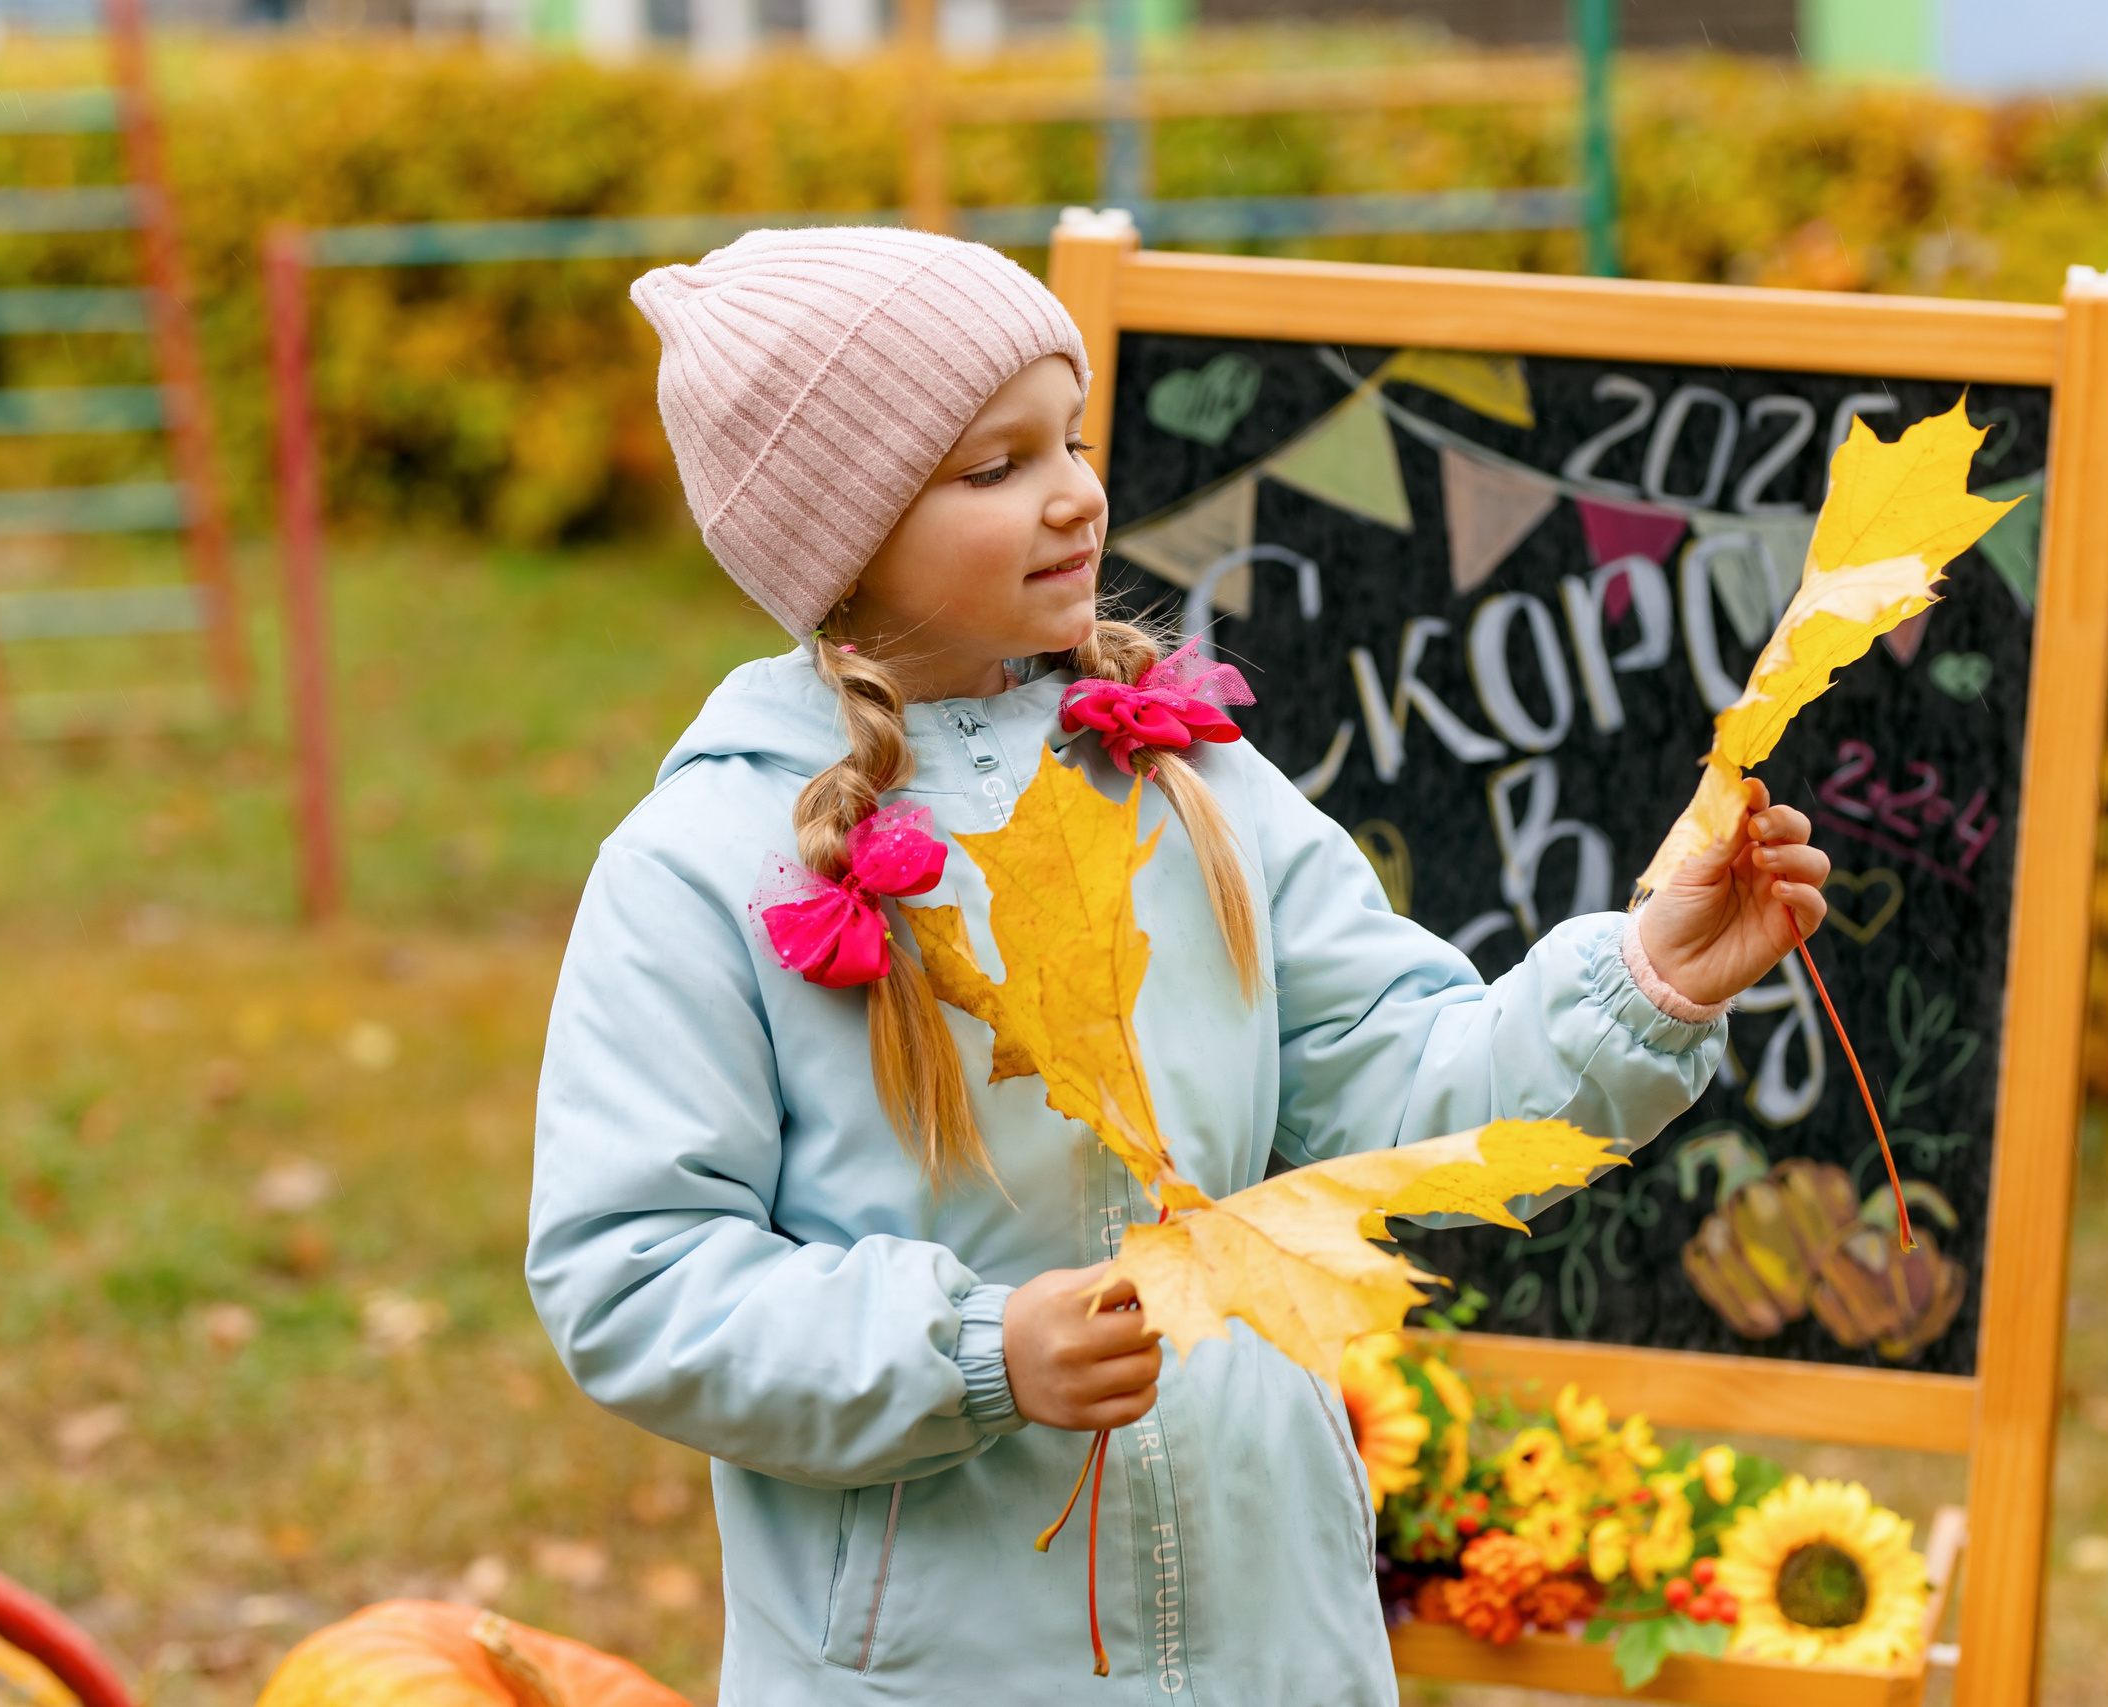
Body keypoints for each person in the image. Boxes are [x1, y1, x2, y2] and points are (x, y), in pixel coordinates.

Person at [527, 228, 1831, 1704]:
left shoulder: (1191, 784)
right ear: (844, 532)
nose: (1076, 493)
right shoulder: (704, 862)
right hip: (939, 1671)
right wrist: (975, 1350)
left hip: (1271, 1644)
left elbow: (1404, 1097)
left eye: (1071, 440)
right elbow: (635, 1275)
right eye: (994, 467)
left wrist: (1644, 982)